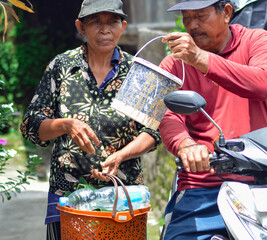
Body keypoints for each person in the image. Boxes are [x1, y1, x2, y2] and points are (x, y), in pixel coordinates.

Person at [20, 0, 161, 239]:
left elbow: (153, 131)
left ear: (123, 26)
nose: (104, 29)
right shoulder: (61, 67)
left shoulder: (136, 72)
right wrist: (65, 125)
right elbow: (31, 126)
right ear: (81, 27)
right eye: (95, 22)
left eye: (112, 22)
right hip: (68, 199)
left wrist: (121, 155)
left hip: (123, 199)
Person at [158, 0, 267, 239]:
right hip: (201, 185)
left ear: (226, 13)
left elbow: (262, 84)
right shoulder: (174, 63)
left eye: (200, 16)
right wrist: (185, 144)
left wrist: (201, 60)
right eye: (187, 17)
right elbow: (168, 114)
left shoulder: (258, 40)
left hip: (256, 181)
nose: (192, 25)